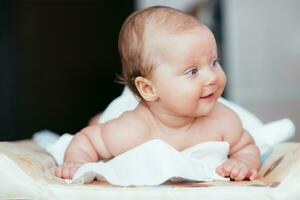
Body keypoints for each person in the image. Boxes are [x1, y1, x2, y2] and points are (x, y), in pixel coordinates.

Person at [55, 6, 260, 181]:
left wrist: (241, 162)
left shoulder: (222, 120)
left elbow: (246, 147)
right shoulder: (130, 130)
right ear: (148, 89)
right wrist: (76, 162)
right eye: (193, 71)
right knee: (102, 121)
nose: (212, 77)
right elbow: (88, 141)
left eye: (214, 62)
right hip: (129, 109)